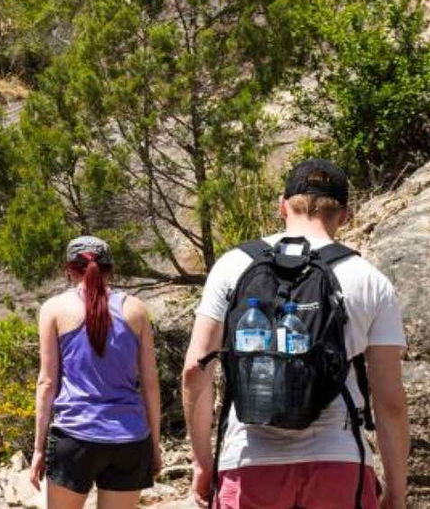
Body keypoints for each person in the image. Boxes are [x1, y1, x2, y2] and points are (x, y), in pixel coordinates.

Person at [182, 159, 410, 509]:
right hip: (338, 460)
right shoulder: (369, 280)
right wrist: (396, 488)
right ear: (345, 215)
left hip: (247, 461)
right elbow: (389, 401)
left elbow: (195, 372)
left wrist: (202, 463)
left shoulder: (232, 265)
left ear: (282, 205)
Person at [31, 235, 162, 509]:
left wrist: (39, 449)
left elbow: (47, 382)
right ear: (110, 269)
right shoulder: (136, 310)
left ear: (68, 270)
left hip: (75, 437)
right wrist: (154, 445)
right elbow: (150, 384)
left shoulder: (54, 309)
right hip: (130, 438)